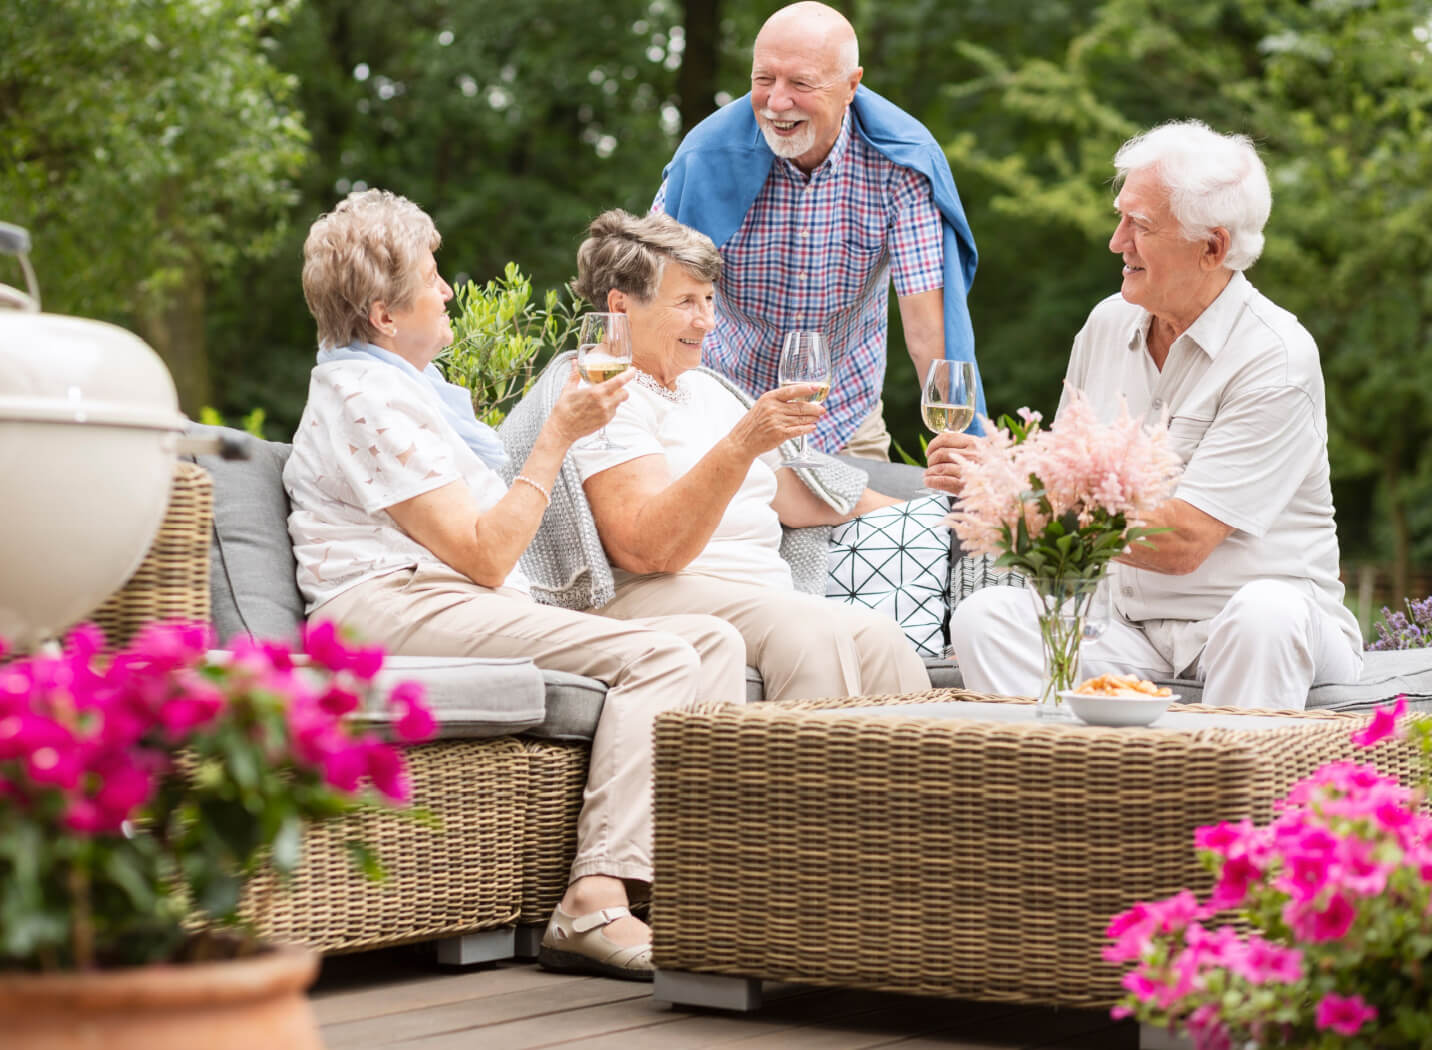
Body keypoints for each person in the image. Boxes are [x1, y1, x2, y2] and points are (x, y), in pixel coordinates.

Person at [283, 190, 751, 982]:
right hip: (385, 608)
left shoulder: (411, 392)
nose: (447, 290)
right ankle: (592, 903)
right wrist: (558, 433)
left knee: (713, 639)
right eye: (432, 277)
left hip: (440, 599)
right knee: (659, 658)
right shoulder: (361, 397)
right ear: (383, 315)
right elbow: (485, 555)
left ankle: (691, 889)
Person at [925, 121, 1362, 710]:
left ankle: (1229, 800)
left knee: (1265, 615)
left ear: (1213, 247)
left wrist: (1020, 490)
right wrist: (1001, 486)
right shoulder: (1105, 324)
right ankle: (1065, 796)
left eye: (1141, 225)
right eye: (1121, 216)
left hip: (1258, 626)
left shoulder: (1276, 356)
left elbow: (1184, 540)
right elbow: (1059, 479)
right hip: (1128, 630)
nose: (1116, 241)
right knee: (989, 617)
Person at [566, 209, 932, 702]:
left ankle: (898, 782)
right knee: (811, 633)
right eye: (687, 302)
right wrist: (742, 445)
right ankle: (796, 782)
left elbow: (798, 499)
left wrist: (934, 515)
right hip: (658, 586)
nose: (708, 321)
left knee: (883, 639)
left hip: (757, 592)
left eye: (711, 301)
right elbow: (647, 548)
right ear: (621, 306)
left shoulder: (709, 390)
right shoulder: (603, 391)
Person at [652, 0, 984, 459]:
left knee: (869, 527)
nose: (777, 102)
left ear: (851, 86)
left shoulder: (903, 164)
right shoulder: (704, 158)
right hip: (719, 412)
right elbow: (648, 303)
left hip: (843, 417)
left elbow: (930, 335)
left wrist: (964, 456)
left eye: (800, 83)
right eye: (764, 79)